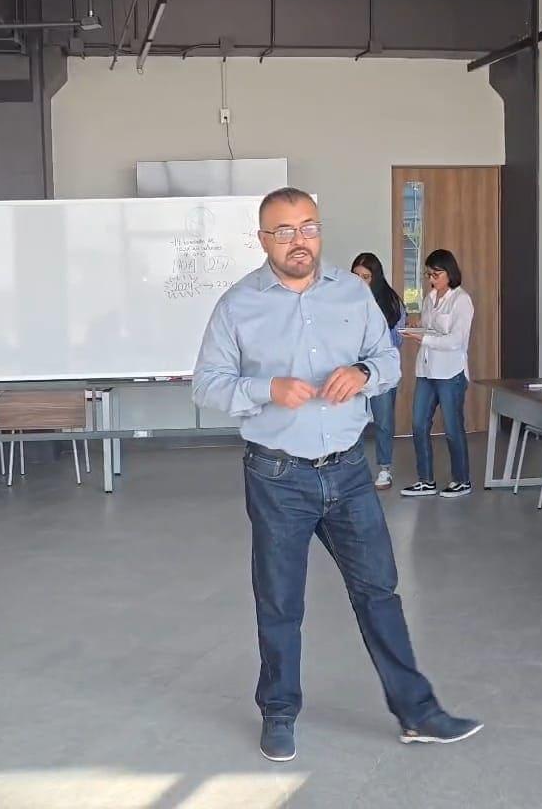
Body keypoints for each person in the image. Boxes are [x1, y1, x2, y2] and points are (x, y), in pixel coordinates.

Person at [193, 188, 482, 763]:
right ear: (263, 239)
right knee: (280, 601)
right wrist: (266, 388)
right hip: (278, 476)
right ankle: (279, 712)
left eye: (308, 227)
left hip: (349, 471)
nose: (298, 240)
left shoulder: (353, 292)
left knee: (379, 592)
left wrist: (364, 373)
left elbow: (388, 358)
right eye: (283, 231)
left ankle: (418, 713)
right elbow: (207, 385)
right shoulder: (237, 305)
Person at [399, 250, 474, 499]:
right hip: (426, 370)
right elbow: (430, 329)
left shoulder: (461, 300)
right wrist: (416, 328)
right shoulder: (429, 298)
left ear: (449, 272)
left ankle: (462, 480)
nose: (431, 279)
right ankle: (426, 480)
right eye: (428, 274)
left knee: (453, 429)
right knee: (419, 424)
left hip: (450, 372)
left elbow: (455, 340)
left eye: (436, 274)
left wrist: (423, 338)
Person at [351, 252, 406, 490]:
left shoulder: (391, 302)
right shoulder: (345, 300)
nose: (360, 281)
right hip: (353, 370)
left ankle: (384, 469)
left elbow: (396, 341)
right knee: (353, 419)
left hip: (381, 371)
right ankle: (353, 469)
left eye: (365, 277)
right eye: (356, 276)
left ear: (375, 277)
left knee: (383, 420)